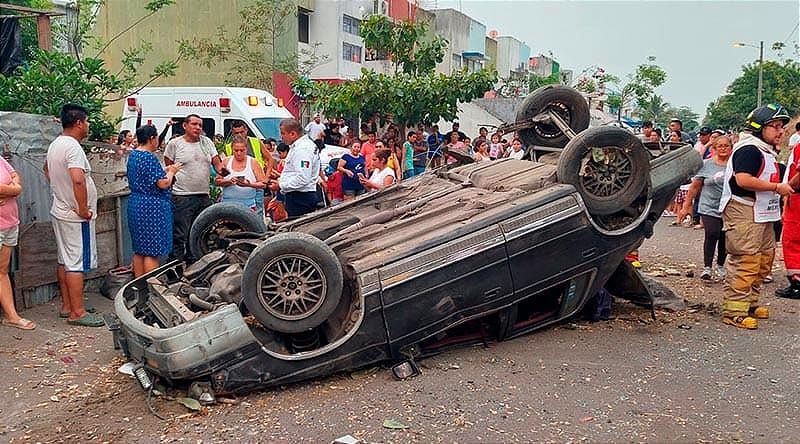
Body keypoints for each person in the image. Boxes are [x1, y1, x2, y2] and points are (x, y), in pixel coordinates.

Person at [718, 104, 793, 329]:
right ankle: (734, 311)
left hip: (763, 212)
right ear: (759, 127)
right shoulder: (749, 149)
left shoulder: (766, 151)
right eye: (776, 126)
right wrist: (777, 187)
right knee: (746, 260)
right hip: (744, 210)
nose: (780, 131)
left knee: (763, 259)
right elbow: (743, 180)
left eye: (782, 127)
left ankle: (750, 303)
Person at [44, 104, 103, 327]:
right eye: (86, 122)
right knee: (76, 262)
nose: (88, 126)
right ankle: (77, 313)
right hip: (75, 216)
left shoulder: (55, 145)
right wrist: (81, 208)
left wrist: (60, 191)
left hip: (60, 209)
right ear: (79, 123)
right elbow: (78, 179)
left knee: (65, 259)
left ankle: (68, 305)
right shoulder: (73, 148)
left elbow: (46, 170)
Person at [164, 114, 225, 264]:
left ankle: (195, 266)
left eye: (200, 125)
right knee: (180, 234)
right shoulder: (175, 144)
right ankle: (174, 269)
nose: (198, 128)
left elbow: (217, 164)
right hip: (182, 196)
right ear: (185, 126)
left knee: (200, 232)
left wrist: (228, 172)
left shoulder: (207, 143)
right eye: (194, 124)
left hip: (203, 196)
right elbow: (168, 165)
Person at [127, 125, 181, 278]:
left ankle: (138, 286)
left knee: (139, 249)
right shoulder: (149, 157)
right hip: (151, 207)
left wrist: (164, 169)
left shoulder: (134, 155)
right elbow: (163, 183)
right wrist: (171, 172)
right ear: (152, 138)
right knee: (152, 252)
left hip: (136, 203)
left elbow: (146, 176)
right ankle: (151, 290)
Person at [678, 136, 732, 280]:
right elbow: (695, 186)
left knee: (724, 236)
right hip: (709, 205)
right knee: (712, 232)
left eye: (726, 146)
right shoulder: (706, 164)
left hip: (728, 207)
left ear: (731, 148)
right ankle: (707, 267)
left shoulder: (735, 165)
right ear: (714, 149)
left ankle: (720, 265)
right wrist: (686, 205)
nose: (723, 148)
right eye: (720, 146)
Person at [0, 153, 33, 330]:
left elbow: (15, 175)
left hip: (10, 223)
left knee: (2, 271)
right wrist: (15, 189)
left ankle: (11, 316)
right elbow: (13, 187)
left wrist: (12, 186)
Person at [225, 121, 272, 218]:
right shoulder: (229, 146)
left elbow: (270, 159)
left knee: (257, 212)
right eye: (236, 133)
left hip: (256, 182)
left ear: (246, 130)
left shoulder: (256, 142)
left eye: (241, 132)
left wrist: (266, 177)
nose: (239, 135)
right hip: (236, 187)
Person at [277, 118, 322, 217]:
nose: (281, 137)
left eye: (283, 133)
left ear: (293, 134)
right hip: (298, 196)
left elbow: (302, 178)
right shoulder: (298, 147)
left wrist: (281, 185)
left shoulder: (302, 150)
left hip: (301, 197)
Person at [776, 122, 800, 299]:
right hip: (794, 197)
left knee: (792, 241)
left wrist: (786, 188)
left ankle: (797, 282)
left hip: (797, 198)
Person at [216, 135, 268, 211]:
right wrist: (229, 181)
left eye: (242, 150)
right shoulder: (226, 162)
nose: (239, 153)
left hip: (248, 205)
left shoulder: (253, 162)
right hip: (227, 204)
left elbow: (263, 184)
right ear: (232, 149)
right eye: (236, 150)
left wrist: (249, 184)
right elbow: (218, 181)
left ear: (246, 149)